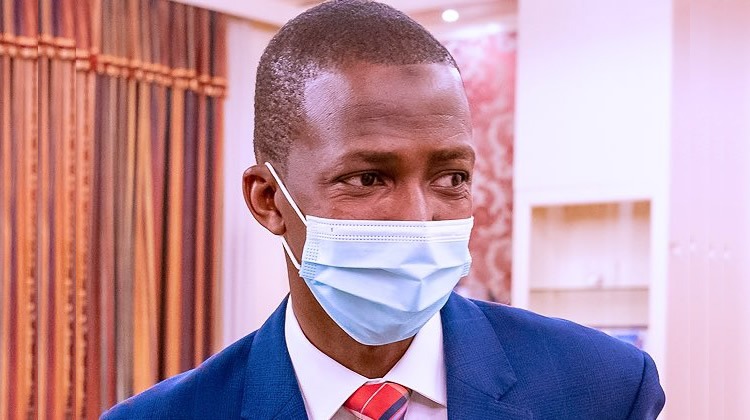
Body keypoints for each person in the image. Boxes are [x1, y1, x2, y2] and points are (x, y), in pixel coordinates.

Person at [102, 1, 665, 419]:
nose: (418, 218)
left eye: (451, 178)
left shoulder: (603, 387)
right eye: (367, 178)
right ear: (268, 200)